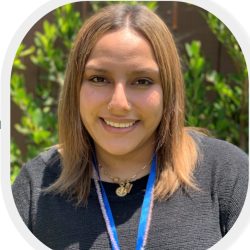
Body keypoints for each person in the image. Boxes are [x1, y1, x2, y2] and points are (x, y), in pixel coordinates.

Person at [12, 4, 248, 250]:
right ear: (75, 88)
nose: (119, 104)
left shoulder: (228, 176)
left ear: (168, 90)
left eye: (142, 81)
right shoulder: (35, 187)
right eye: (99, 79)